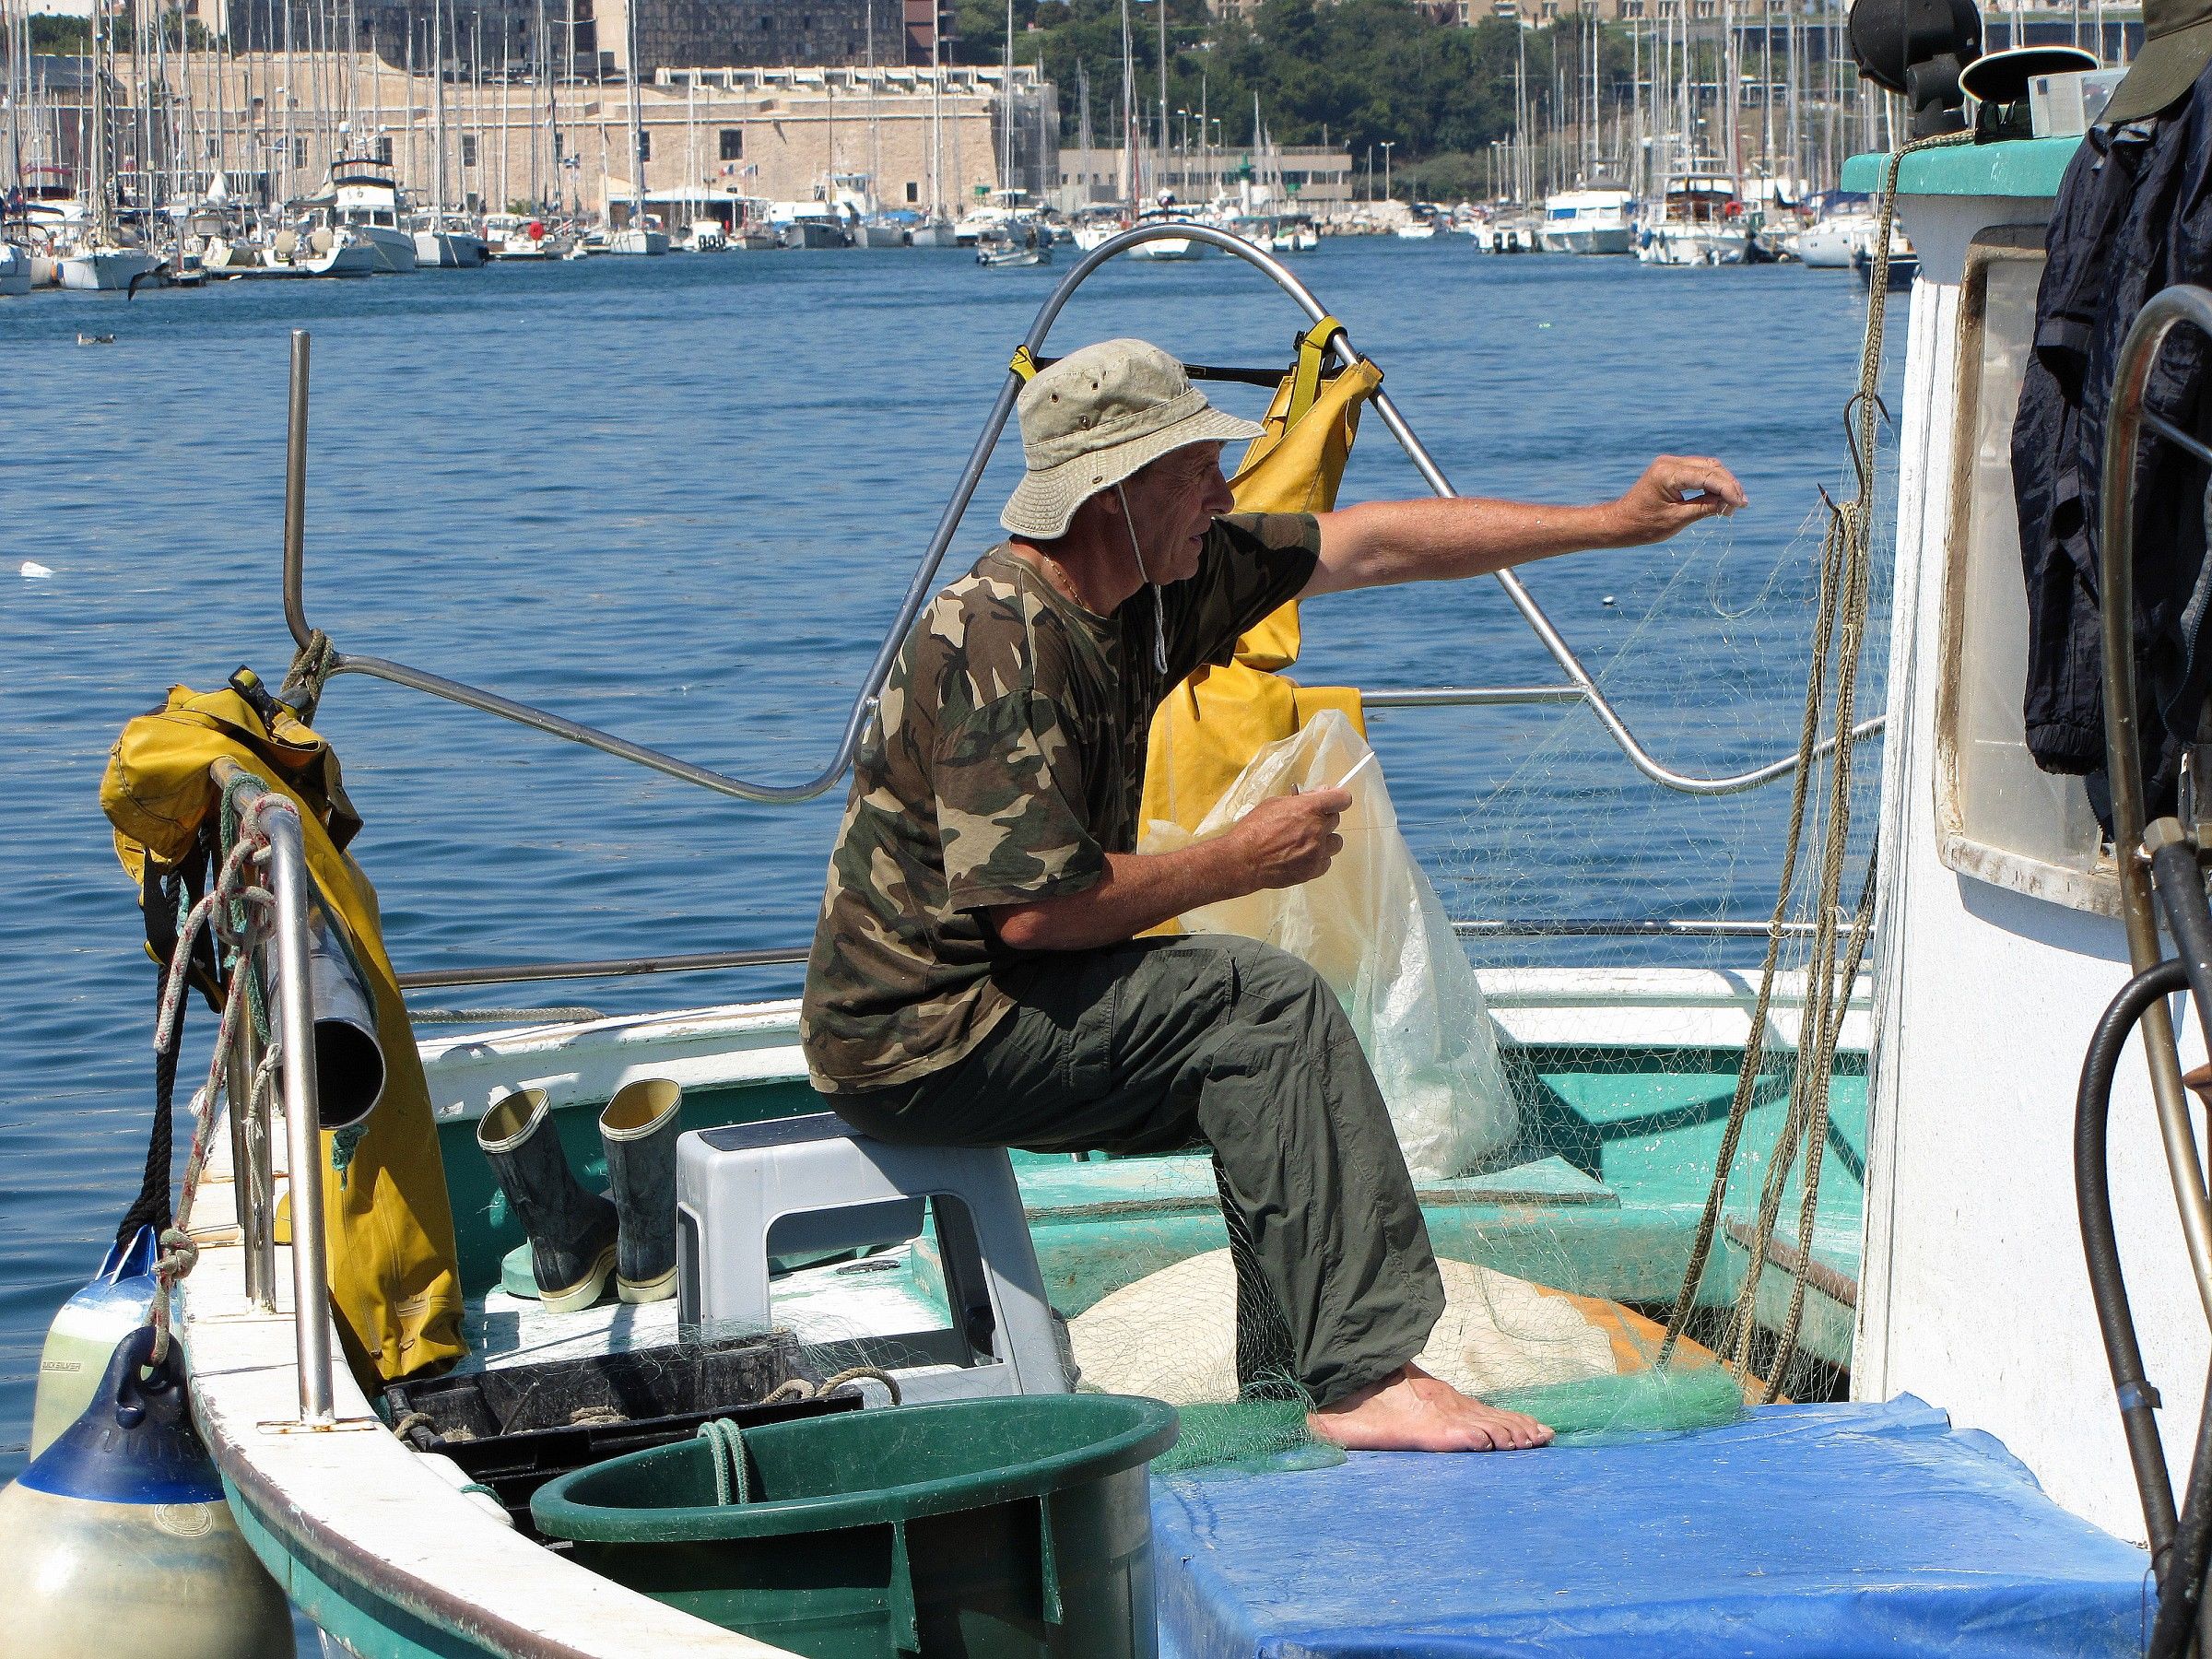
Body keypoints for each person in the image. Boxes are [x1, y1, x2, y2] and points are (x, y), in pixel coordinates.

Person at [802, 338, 1745, 1453]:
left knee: (1253, 1046)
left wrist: (1612, 521)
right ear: (1114, 493)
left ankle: (1294, 1376)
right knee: (1264, 1009)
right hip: (923, 1035)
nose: (1221, 490)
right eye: (1197, 467)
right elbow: (1036, 913)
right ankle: (1365, 1379)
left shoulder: (1155, 584)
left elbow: (1370, 544)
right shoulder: (1003, 637)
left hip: (1016, 993)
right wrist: (1239, 859)